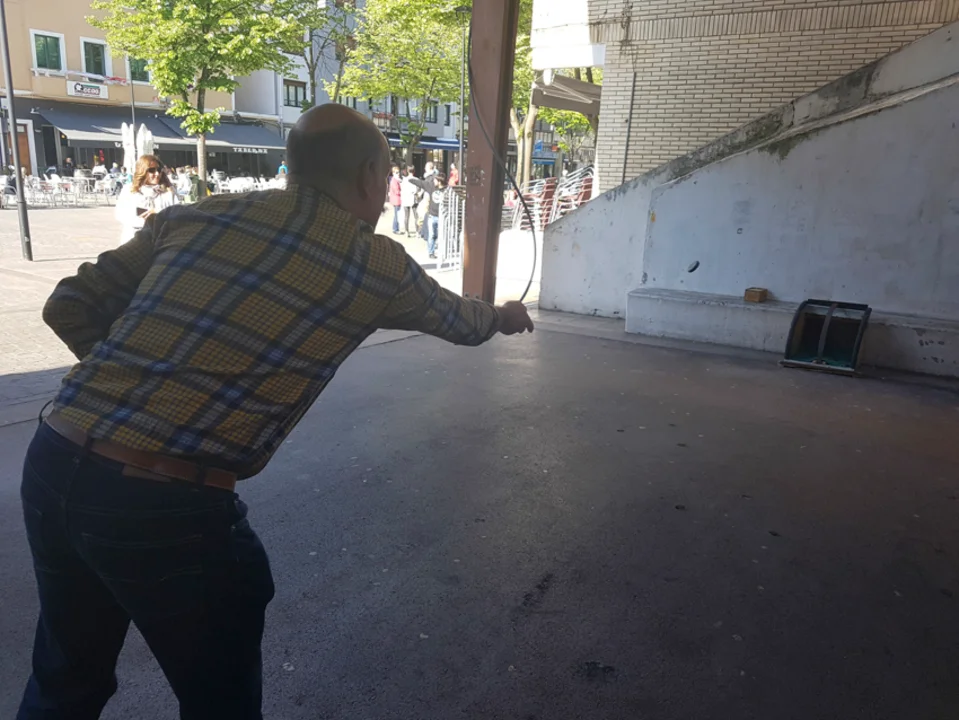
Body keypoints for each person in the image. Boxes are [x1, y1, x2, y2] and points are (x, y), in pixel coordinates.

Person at [17, 103, 533, 719]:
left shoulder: (195, 216)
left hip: (53, 458)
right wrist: (503, 315)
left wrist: (135, 382)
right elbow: (462, 322)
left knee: (66, 679)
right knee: (221, 701)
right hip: (166, 505)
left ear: (294, 166)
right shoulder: (376, 263)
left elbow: (68, 304)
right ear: (370, 176)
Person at [113, 154, 178, 245]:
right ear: (142, 171)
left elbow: (178, 215)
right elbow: (120, 215)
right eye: (152, 170)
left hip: (162, 241)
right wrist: (146, 220)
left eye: (159, 170)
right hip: (134, 239)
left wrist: (159, 214)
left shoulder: (168, 191)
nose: (157, 174)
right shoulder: (129, 190)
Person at [408, 172, 445, 259]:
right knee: (431, 235)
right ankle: (431, 252)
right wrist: (410, 180)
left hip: (442, 216)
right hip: (432, 216)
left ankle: (441, 251)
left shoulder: (446, 190)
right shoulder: (431, 186)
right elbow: (421, 183)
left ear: (439, 181)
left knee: (440, 236)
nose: (433, 181)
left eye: (435, 180)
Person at [400, 166, 420, 237]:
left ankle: (406, 232)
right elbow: (418, 189)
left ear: (408, 171)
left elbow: (402, 189)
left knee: (406, 216)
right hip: (414, 198)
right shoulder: (416, 179)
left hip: (406, 198)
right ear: (414, 171)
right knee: (416, 216)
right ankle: (417, 232)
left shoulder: (404, 180)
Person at [388, 164, 403, 234]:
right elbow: (397, 191)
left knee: (396, 215)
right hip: (396, 200)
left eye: (398, 172)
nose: (398, 174)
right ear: (393, 173)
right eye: (396, 172)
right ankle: (396, 229)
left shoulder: (396, 180)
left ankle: (395, 228)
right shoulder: (394, 180)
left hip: (396, 199)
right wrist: (403, 191)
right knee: (397, 215)